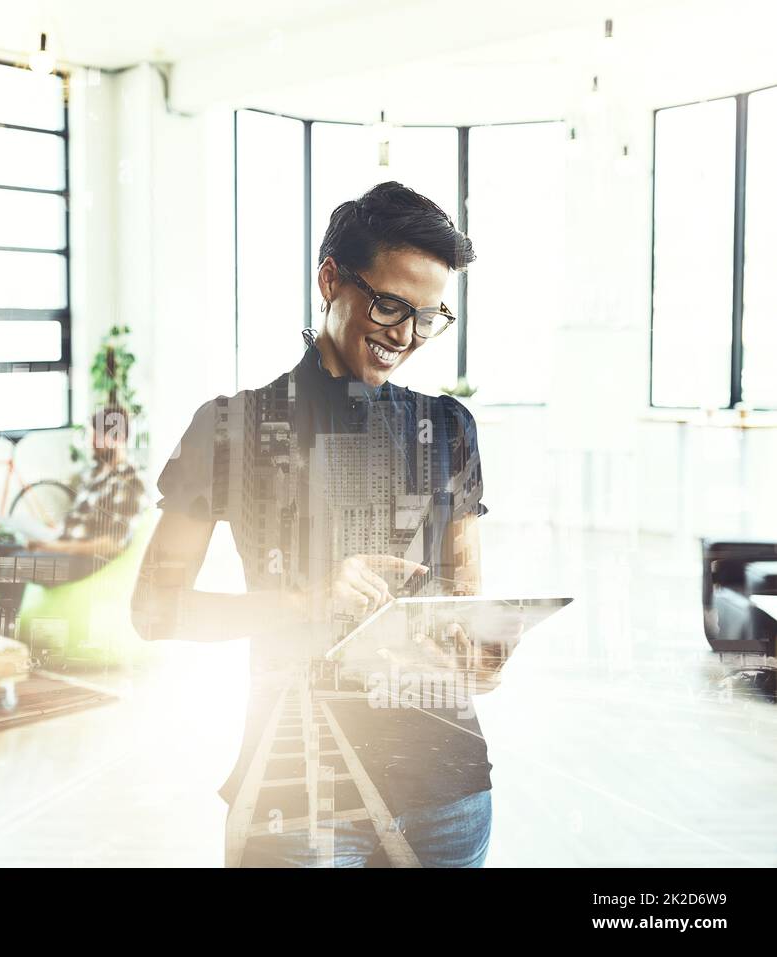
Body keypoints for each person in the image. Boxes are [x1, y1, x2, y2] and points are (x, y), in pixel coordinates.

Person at [133, 181, 519, 868]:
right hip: (298, 793)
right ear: (330, 278)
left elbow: (466, 603)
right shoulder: (229, 430)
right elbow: (154, 610)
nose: (405, 336)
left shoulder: (450, 429)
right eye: (391, 305)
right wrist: (305, 602)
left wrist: (479, 652)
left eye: (429, 317)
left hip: (448, 797)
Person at [31, 404, 146, 570]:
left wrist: (56, 548)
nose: (91, 442)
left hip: (82, 561)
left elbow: (113, 544)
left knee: (10, 564)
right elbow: (78, 521)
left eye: (97, 436)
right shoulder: (95, 473)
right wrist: (49, 539)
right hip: (61, 549)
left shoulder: (132, 481)